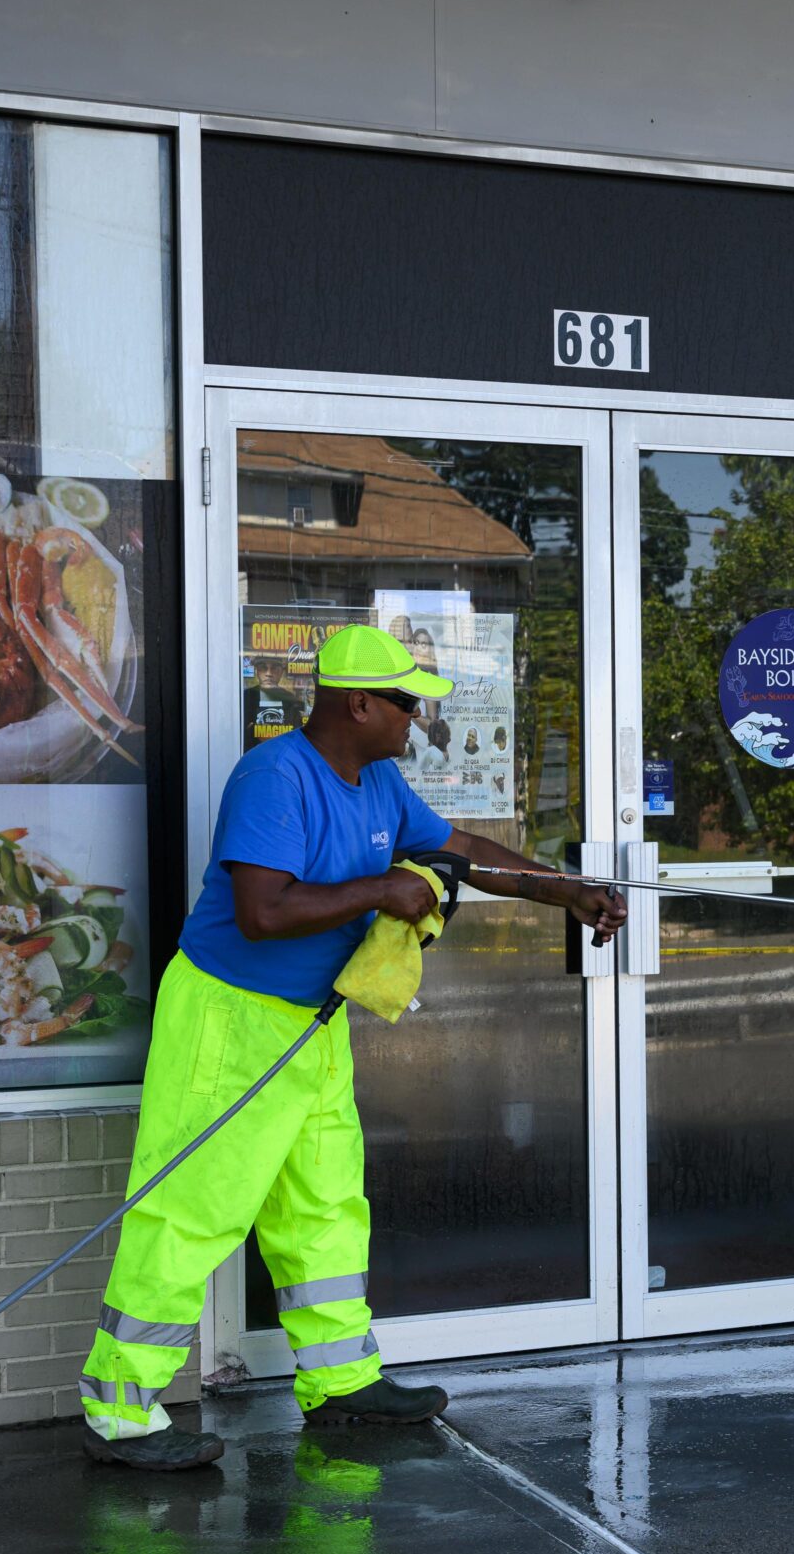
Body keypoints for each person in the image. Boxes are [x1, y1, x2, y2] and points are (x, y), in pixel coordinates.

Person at [77, 624, 625, 1471]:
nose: (419, 718)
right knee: (191, 1209)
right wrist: (383, 889)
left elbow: (464, 851)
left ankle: (339, 1384)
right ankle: (121, 1409)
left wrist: (570, 893)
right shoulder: (274, 776)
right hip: (230, 1018)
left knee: (325, 1207)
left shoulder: (379, 781)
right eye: (406, 702)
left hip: (311, 1024)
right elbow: (262, 911)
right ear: (357, 701)